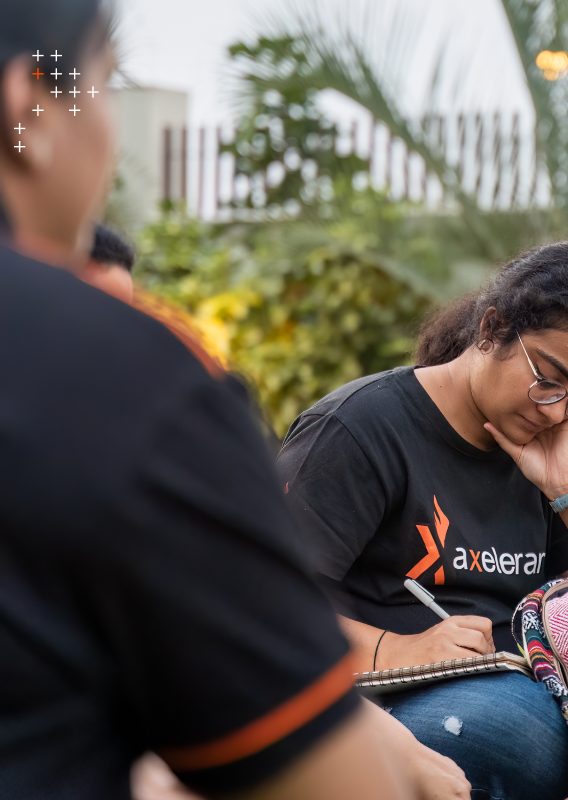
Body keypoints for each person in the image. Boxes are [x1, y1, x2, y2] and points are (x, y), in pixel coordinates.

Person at [0, 2, 461, 798]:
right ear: (30, 109)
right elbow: (334, 785)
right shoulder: (119, 371)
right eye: (105, 87)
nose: (108, 135)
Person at [276, 242, 568, 800]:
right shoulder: (360, 430)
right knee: (514, 730)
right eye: (549, 380)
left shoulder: (550, 449)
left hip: (535, 683)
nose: (556, 410)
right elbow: (258, 601)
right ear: (492, 329)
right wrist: (399, 649)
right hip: (401, 695)